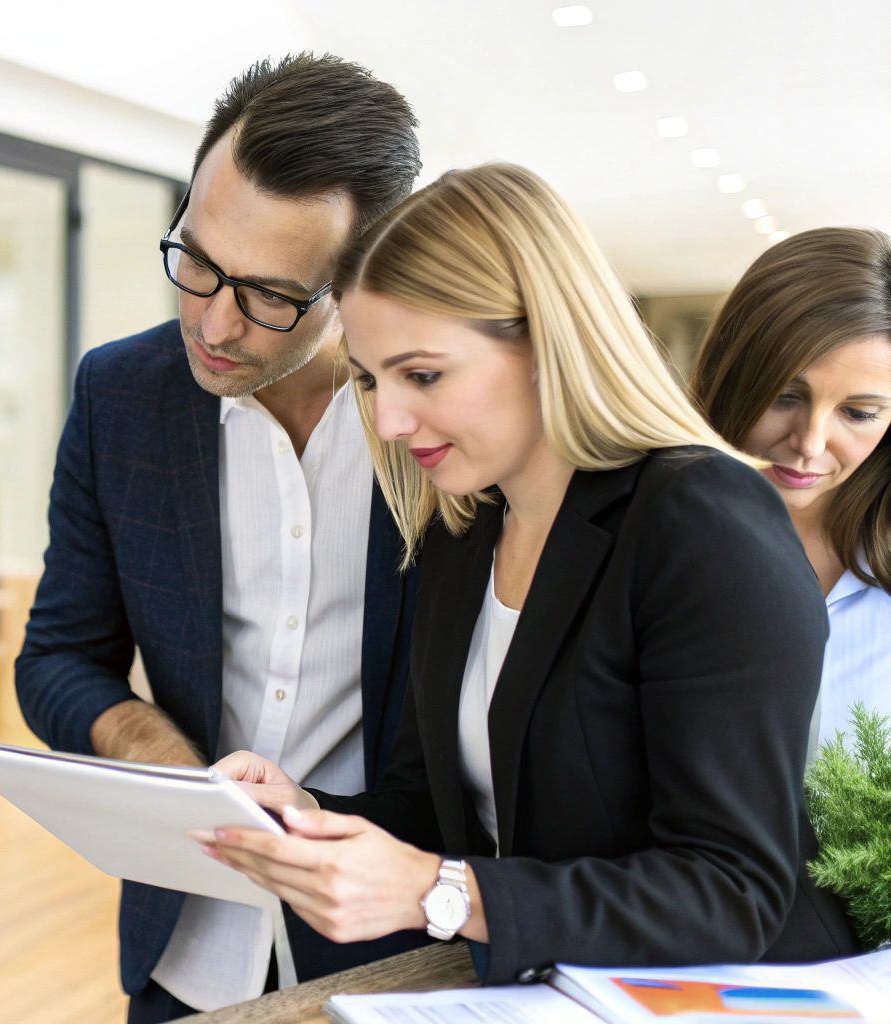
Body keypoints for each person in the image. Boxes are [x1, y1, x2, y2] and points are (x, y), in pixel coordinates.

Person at [194, 164, 861, 986]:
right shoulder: (465, 526)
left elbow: (733, 891)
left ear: (547, 343)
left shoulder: (700, 522)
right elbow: (432, 804)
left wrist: (444, 895)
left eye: (424, 375)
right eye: (371, 381)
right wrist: (304, 815)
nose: (392, 422)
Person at [13, 54, 426, 1019]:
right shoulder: (120, 396)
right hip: (184, 949)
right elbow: (60, 656)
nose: (214, 321)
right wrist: (169, 769)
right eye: (196, 261)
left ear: (367, 275)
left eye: (272, 295)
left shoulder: (438, 424)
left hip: (396, 956)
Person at [690, 228, 891, 753]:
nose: (809, 442)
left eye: (858, 413)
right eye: (784, 397)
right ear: (729, 377)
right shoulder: (638, 548)